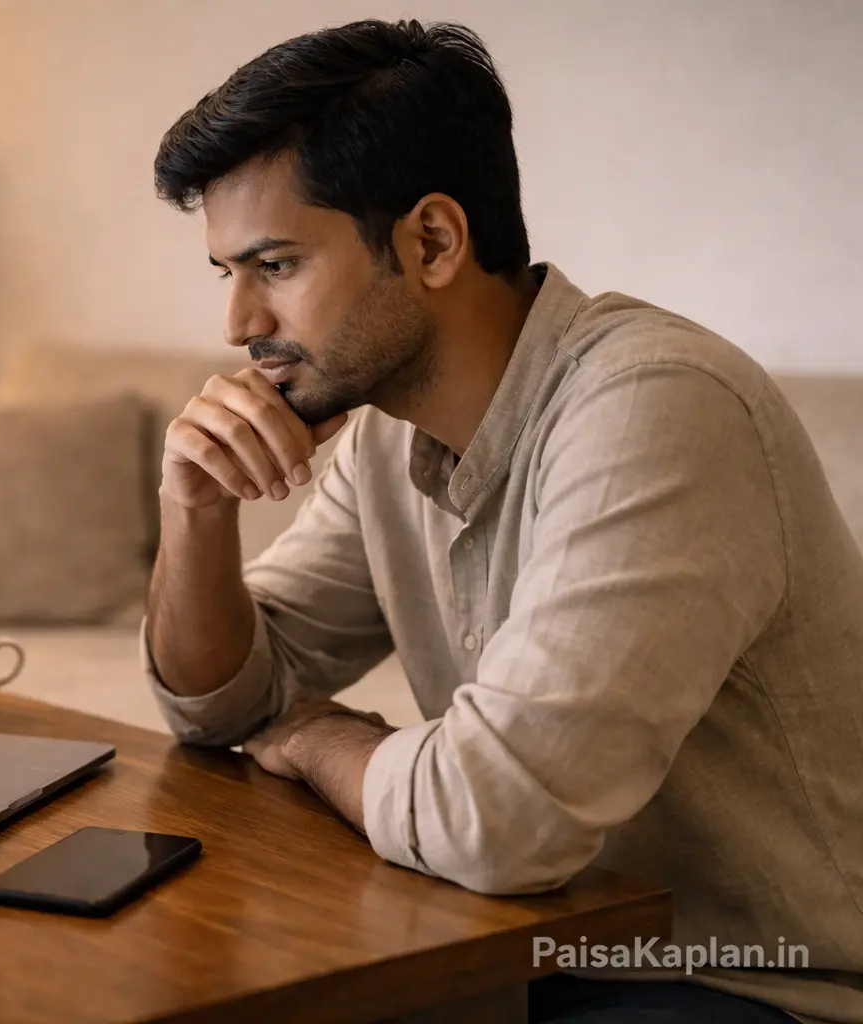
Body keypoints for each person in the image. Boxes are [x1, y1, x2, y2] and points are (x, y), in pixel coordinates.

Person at [143, 18, 863, 1024]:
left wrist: (316, 739)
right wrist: (194, 510)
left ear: (433, 241)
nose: (239, 325)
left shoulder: (657, 404)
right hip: (530, 946)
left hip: (754, 983)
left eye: (277, 265)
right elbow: (221, 706)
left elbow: (497, 818)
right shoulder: (388, 436)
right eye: (230, 273)